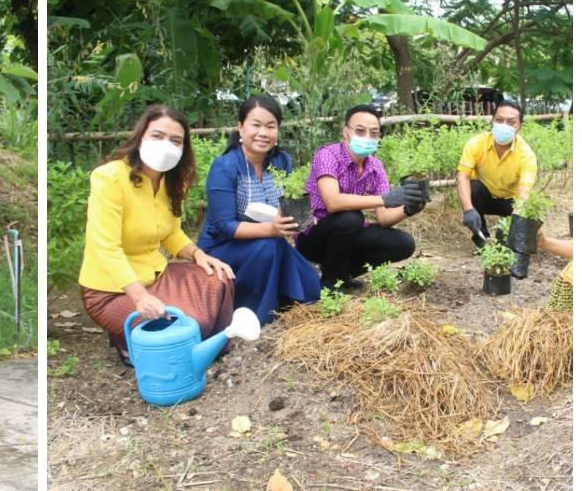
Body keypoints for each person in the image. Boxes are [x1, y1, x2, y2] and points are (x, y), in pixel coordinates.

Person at [79, 104, 236, 365]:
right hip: (111, 291)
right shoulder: (109, 178)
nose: (166, 145)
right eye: (158, 136)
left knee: (219, 278)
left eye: (176, 140)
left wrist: (199, 255)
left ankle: (205, 346)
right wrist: (139, 296)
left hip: (158, 277)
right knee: (182, 327)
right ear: (141, 137)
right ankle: (124, 339)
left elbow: (171, 232)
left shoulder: (173, 181)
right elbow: (105, 247)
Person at [199, 96, 321, 326]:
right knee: (271, 246)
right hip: (221, 247)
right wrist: (272, 229)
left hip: (267, 239)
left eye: (270, 126)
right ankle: (254, 312)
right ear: (240, 128)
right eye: (256, 124)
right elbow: (224, 226)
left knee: (312, 284)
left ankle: (278, 298)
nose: (263, 132)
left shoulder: (281, 161)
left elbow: (286, 203)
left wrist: (300, 217)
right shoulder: (224, 167)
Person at [295, 104, 425, 291]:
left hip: (347, 234)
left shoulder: (375, 166)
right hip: (312, 235)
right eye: (360, 131)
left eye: (374, 133)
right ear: (346, 132)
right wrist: (384, 199)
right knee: (352, 217)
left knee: (404, 243)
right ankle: (331, 286)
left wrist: (408, 209)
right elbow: (332, 202)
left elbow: (384, 218)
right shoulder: (328, 155)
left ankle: (340, 275)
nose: (367, 137)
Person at [457, 99, 537, 248]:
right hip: (484, 197)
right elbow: (463, 176)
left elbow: (524, 195)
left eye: (511, 122)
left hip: (511, 203)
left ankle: (505, 239)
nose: (504, 125)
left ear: (519, 126)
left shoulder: (527, 155)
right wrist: (468, 209)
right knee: (473, 187)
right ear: (492, 121)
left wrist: (514, 224)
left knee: (510, 239)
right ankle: (481, 238)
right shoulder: (476, 144)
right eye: (499, 120)